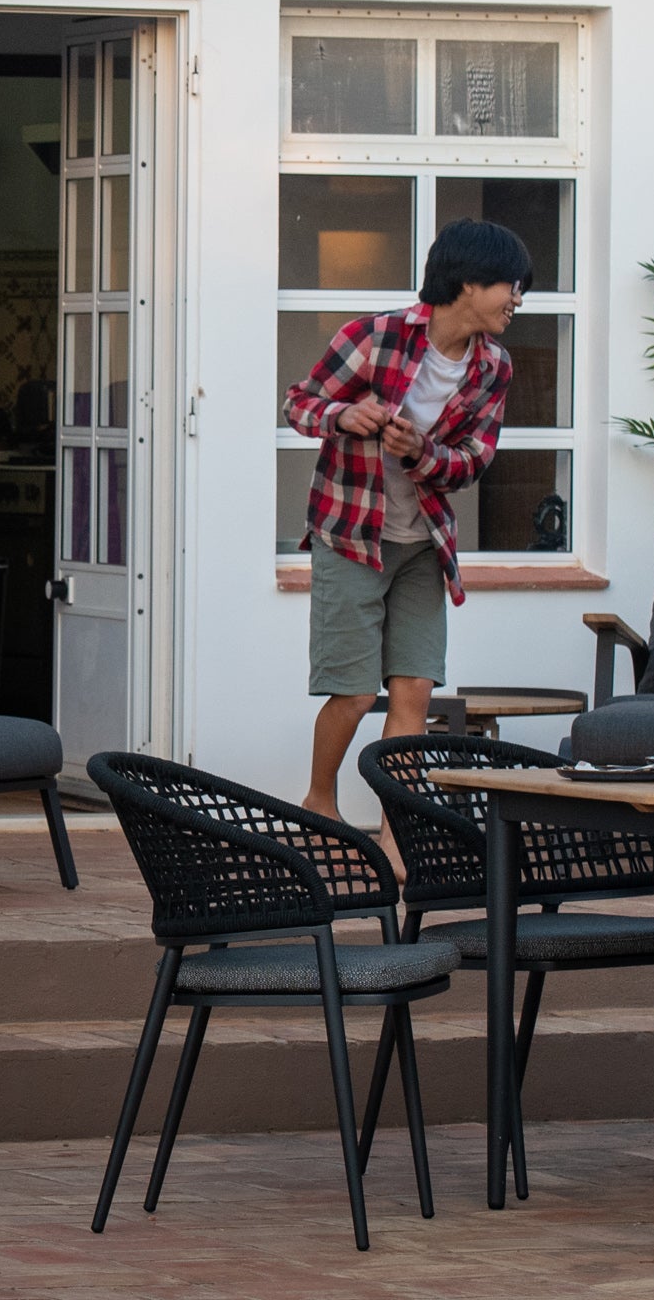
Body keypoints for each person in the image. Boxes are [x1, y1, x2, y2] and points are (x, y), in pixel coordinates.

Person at [284, 218, 525, 843]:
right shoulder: (375, 336)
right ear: (468, 283)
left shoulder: (493, 367)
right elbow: (300, 405)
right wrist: (347, 414)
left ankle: (397, 828)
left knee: (413, 690)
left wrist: (422, 453)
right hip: (352, 536)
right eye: (510, 285)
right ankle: (319, 802)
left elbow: (474, 458)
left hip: (423, 544)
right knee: (355, 693)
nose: (517, 299)